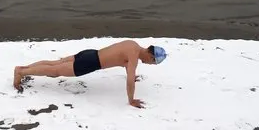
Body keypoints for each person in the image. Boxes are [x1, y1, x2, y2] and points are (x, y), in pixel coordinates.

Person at [13, 40, 167, 108]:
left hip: (90, 54)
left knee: (55, 64)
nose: (150, 64)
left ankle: (22, 68)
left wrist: (132, 75)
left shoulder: (132, 45)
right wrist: (131, 100)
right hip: (90, 63)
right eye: (153, 62)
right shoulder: (134, 56)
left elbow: (126, 64)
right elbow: (129, 81)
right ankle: (21, 72)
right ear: (150, 55)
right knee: (54, 71)